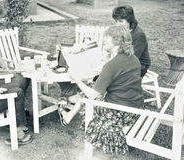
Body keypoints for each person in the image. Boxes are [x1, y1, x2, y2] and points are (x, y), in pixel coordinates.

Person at [58, 25, 144, 154]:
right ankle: (69, 113)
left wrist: (76, 78)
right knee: (90, 91)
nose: (103, 41)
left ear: (116, 41)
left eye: (106, 39)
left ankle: (68, 111)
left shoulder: (111, 65)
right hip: (135, 107)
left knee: (89, 94)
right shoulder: (133, 58)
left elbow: (93, 95)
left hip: (120, 112)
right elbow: (120, 79)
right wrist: (106, 62)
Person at [112, 5, 151, 77]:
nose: (117, 24)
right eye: (116, 21)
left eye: (121, 21)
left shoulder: (139, 35)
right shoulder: (123, 31)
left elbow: (132, 58)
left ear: (130, 20)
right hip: (124, 61)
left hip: (139, 66)